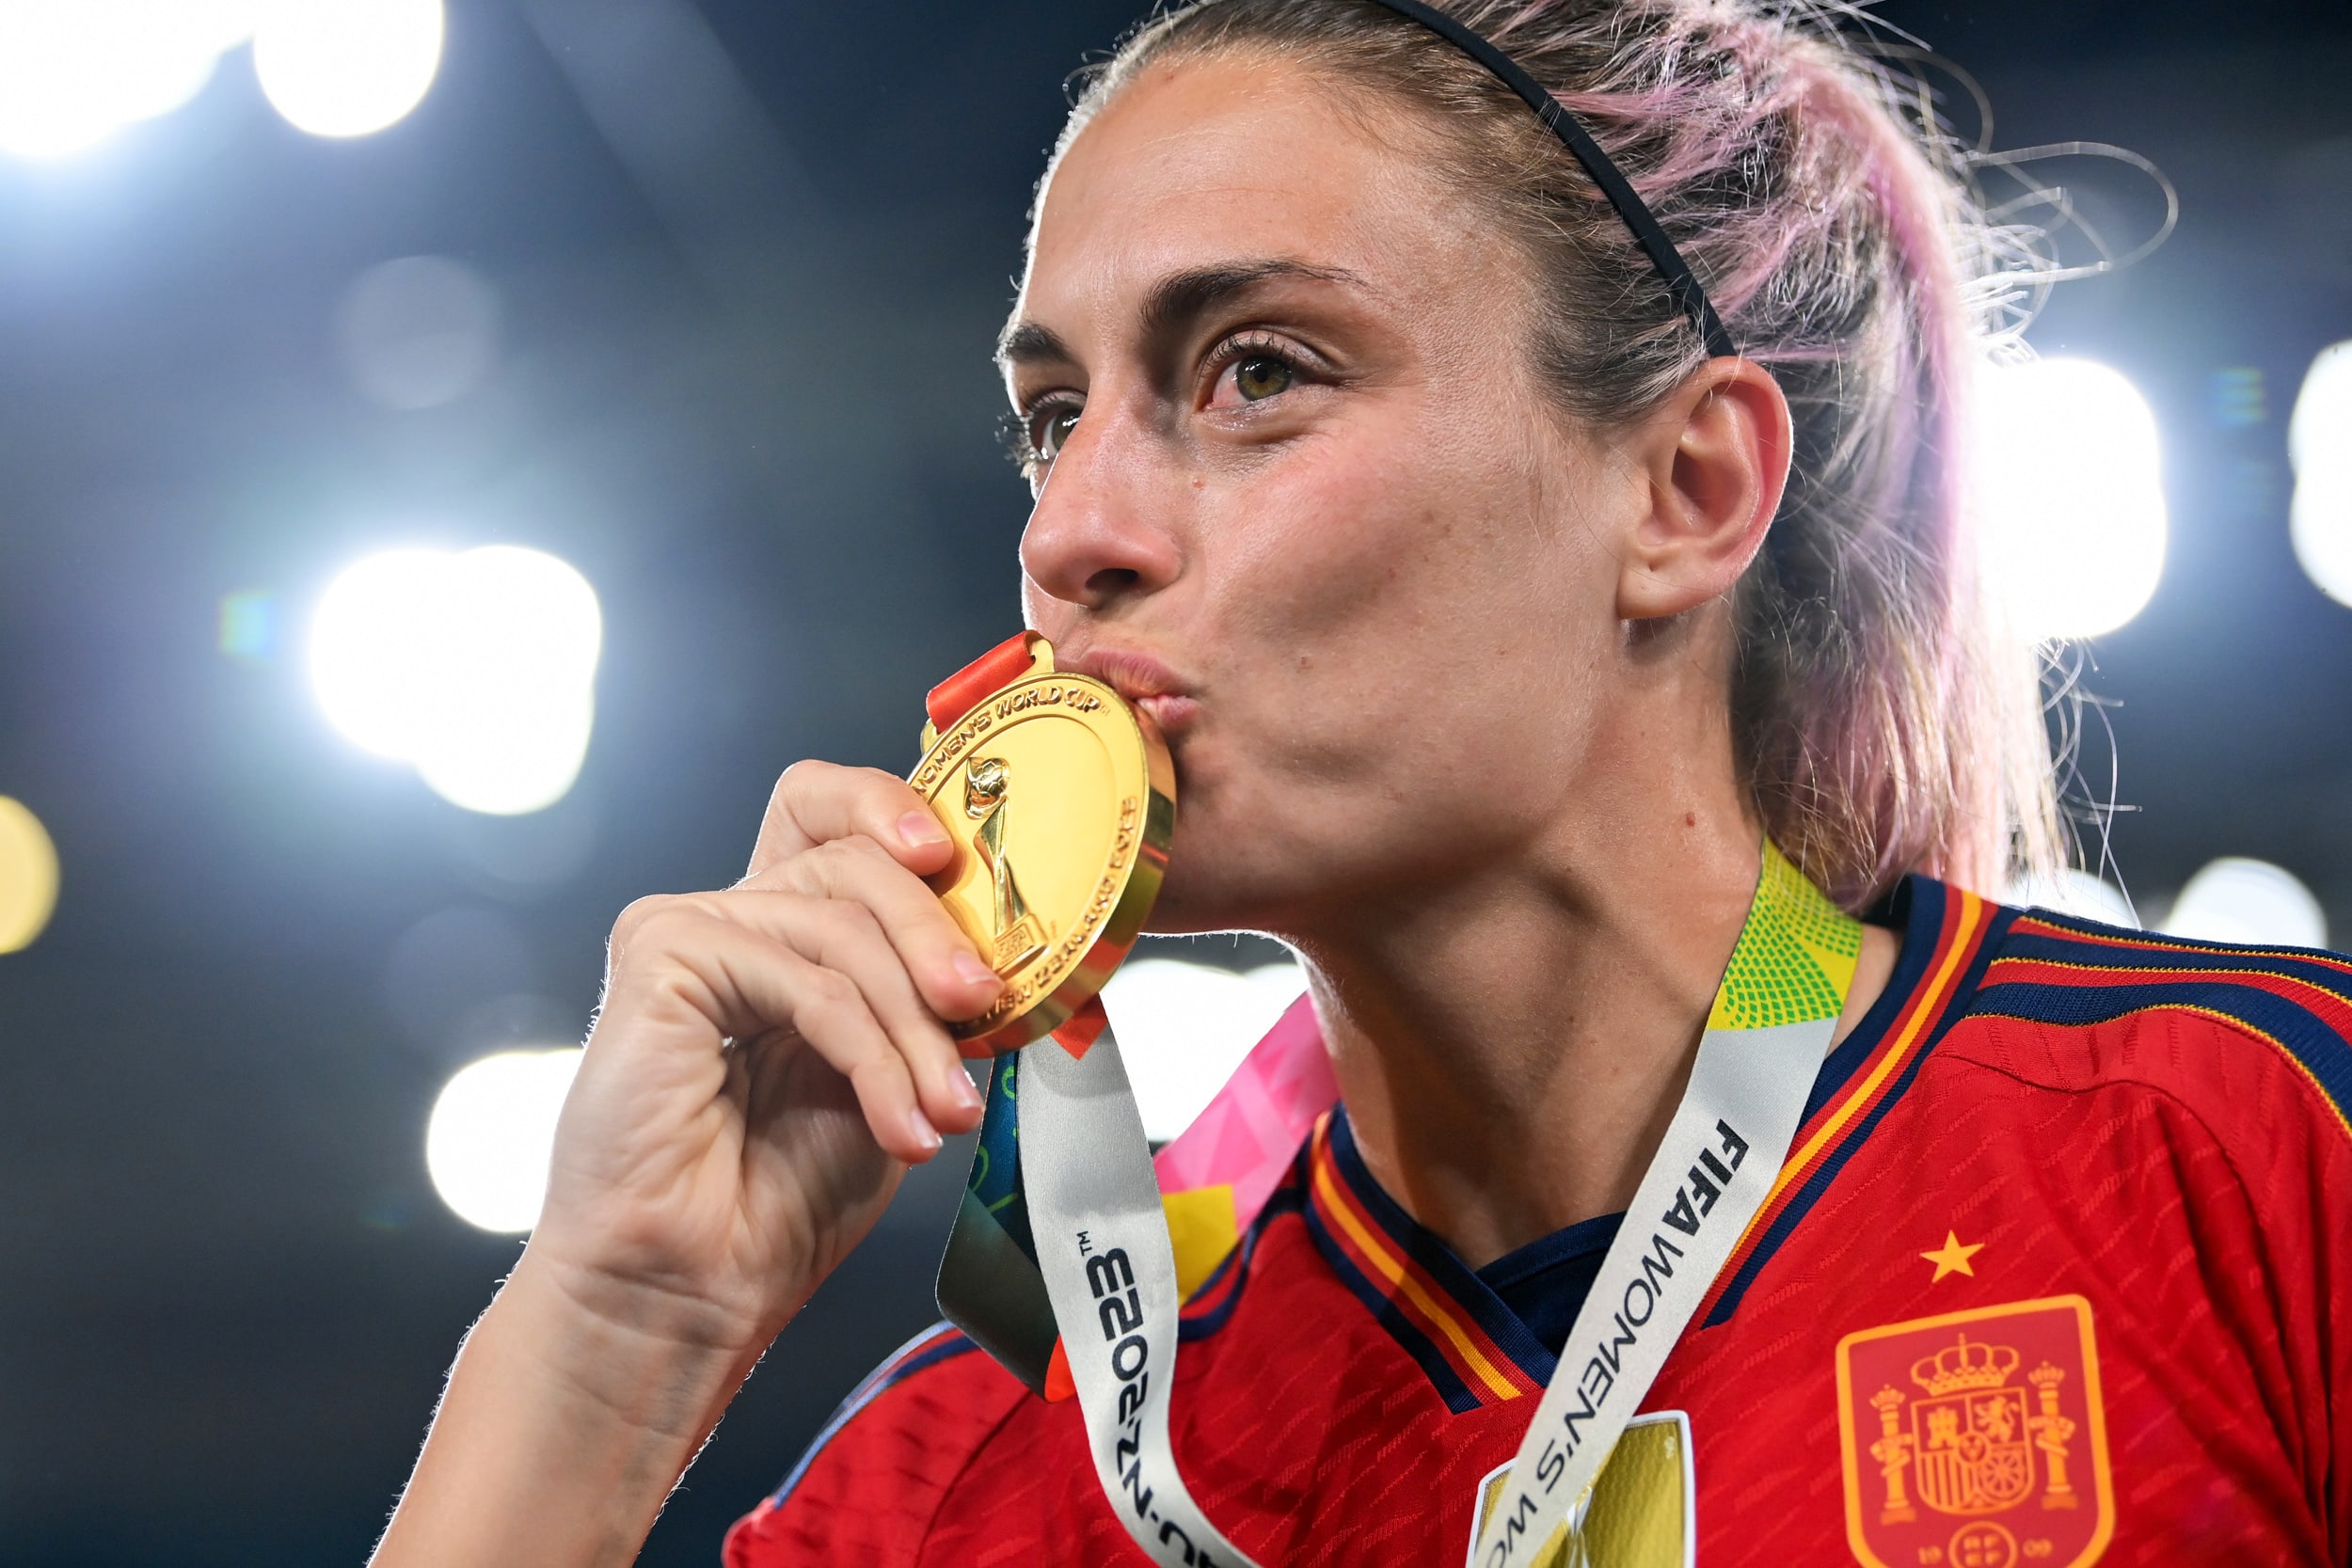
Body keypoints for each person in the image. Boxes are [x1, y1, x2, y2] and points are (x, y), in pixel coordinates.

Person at [369, 2, 2352, 1564]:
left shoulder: (2248, 1152)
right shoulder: (984, 1471)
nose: (1071, 530)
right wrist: (608, 1343)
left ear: (1682, 493)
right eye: (1050, 417)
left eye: (1253, 371)